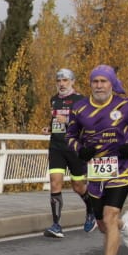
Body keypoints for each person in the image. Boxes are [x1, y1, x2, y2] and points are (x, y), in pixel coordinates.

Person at [67, 65, 128, 255]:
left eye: (104, 81)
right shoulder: (79, 108)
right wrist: (79, 149)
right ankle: (125, 226)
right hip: (95, 171)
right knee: (105, 224)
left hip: (121, 168)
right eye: (95, 81)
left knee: (109, 215)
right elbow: (69, 134)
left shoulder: (126, 106)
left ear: (112, 83)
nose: (99, 86)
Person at [42, 68, 93, 238]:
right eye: (59, 81)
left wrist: (69, 120)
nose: (61, 84)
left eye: (65, 80)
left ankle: (91, 208)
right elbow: (56, 120)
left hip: (74, 147)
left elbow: (87, 123)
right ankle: (56, 225)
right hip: (56, 146)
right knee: (55, 183)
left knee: (78, 186)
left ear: (72, 82)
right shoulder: (54, 99)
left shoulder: (80, 100)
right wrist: (49, 128)